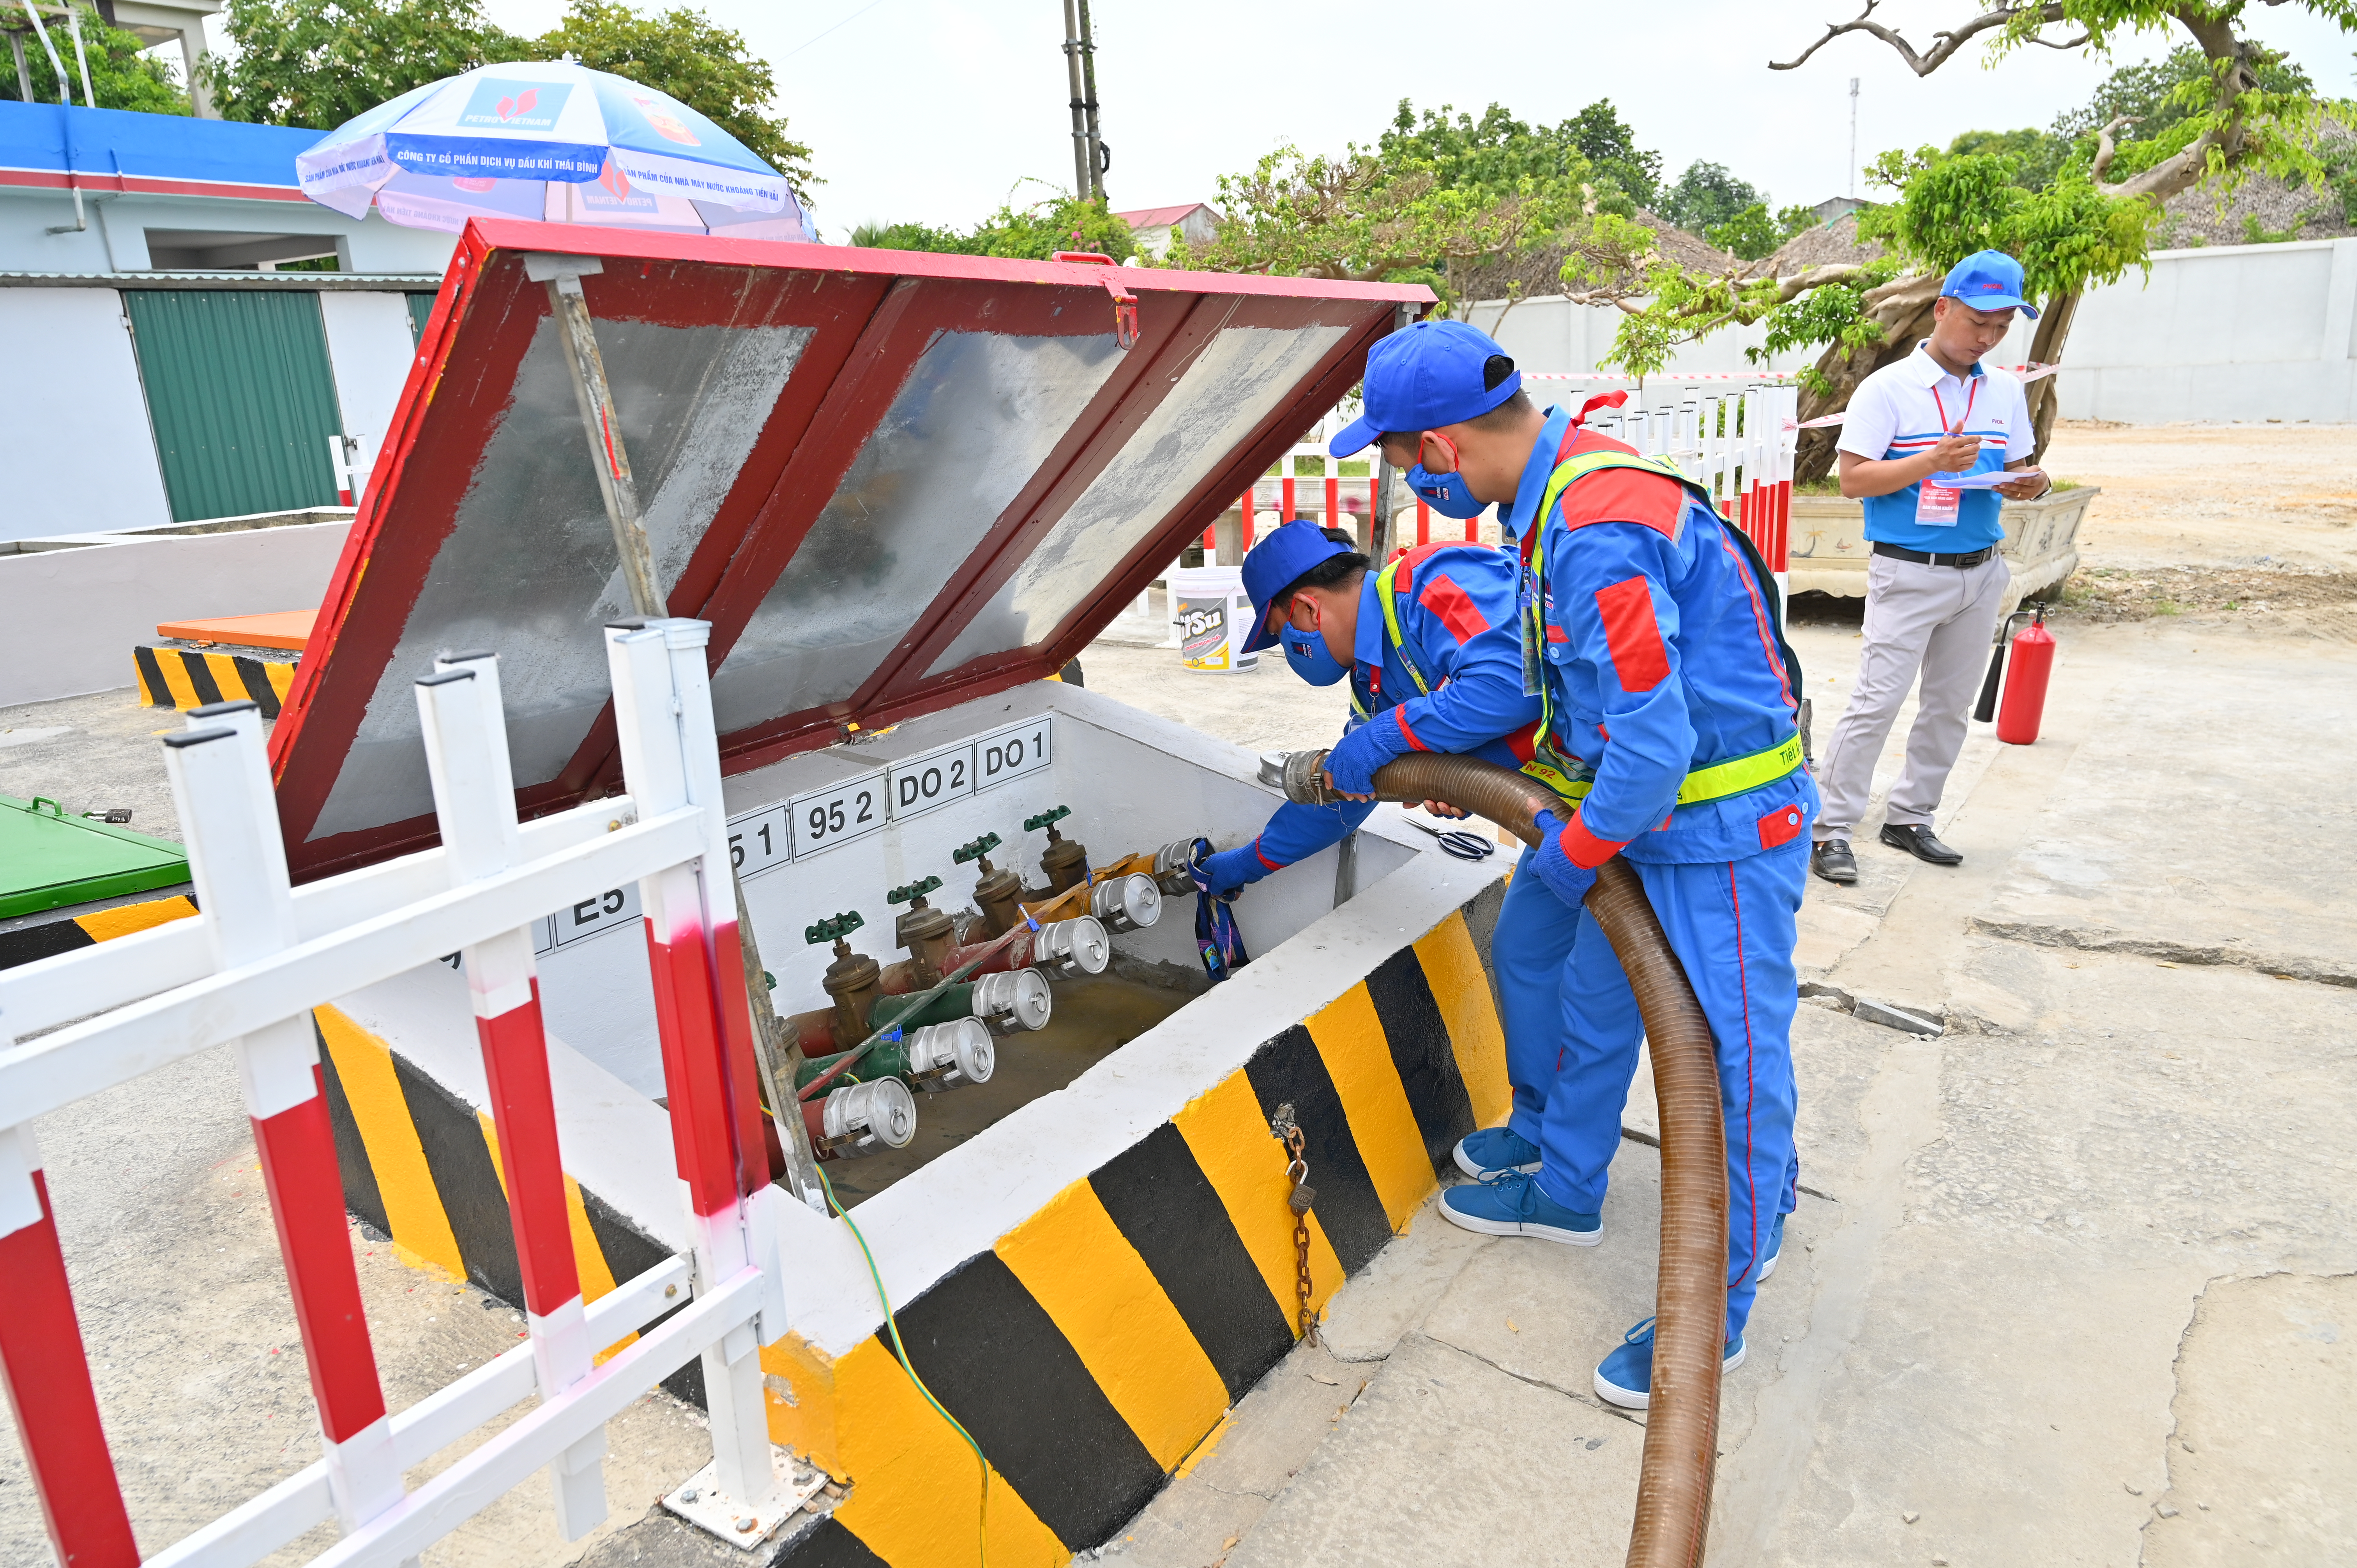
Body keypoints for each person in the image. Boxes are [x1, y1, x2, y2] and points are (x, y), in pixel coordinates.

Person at [1333, 318, 1815, 1411]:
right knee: (1599, 1010)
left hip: (1721, 836)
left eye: (1406, 459)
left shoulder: (1594, 522)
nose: (1412, 484)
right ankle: (1567, 1188)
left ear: (1443, 446)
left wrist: (1572, 856)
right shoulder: (1552, 502)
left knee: (1732, 1066)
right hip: (1640, 826)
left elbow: (1655, 742)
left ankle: (1719, 1303)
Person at [1810, 250, 2054, 884]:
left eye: (2002, 327)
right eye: (1979, 321)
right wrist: (1931, 463)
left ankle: (1911, 816)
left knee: (1949, 706)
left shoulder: (2003, 390)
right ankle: (1831, 828)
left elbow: (2022, 468)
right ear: (1942, 308)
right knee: (1877, 702)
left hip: (1981, 571)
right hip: (1909, 570)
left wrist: (2035, 483)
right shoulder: (1888, 389)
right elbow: (1852, 481)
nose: (1988, 337)